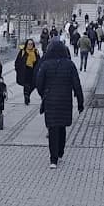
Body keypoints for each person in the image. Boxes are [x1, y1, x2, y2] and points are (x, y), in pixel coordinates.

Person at [35, 37, 84, 167]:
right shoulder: (70, 64)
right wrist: (80, 102)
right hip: (65, 101)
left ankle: (53, 159)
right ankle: (60, 151)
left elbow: (39, 83)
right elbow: (77, 84)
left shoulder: (45, 65)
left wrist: (43, 94)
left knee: (52, 128)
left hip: (50, 101)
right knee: (61, 126)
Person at [14, 37, 40, 106]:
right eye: (29, 44)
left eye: (31, 44)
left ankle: (28, 94)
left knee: (33, 84)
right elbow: (17, 61)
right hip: (25, 71)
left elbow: (39, 62)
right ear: (26, 45)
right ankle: (26, 96)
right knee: (26, 85)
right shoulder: (23, 51)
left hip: (33, 71)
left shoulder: (36, 51)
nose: (30, 45)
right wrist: (18, 69)